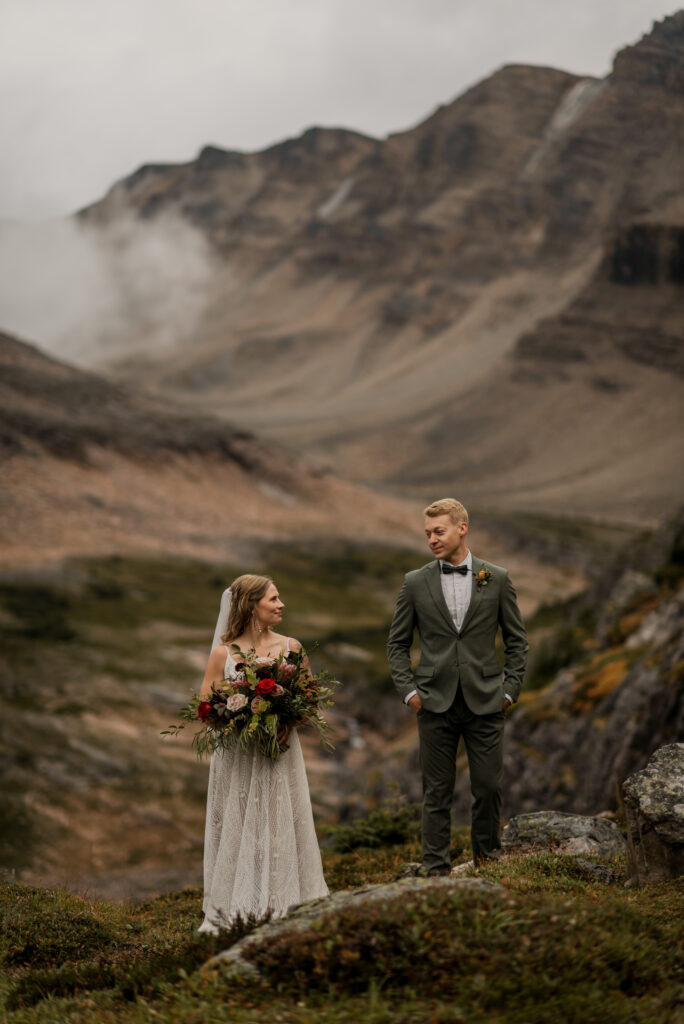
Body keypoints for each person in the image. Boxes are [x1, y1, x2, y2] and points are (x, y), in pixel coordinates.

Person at [387, 499, 527, 873]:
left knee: (488, 788)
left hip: (487, 701)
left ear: (462, 528)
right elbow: (397, 644)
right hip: (433, 703)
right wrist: (410, 693)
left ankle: (488, 863)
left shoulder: (496, 578)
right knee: (436, 793)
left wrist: (509, 690)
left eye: (439, 531)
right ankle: (436, 870)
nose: (432, 540)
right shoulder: (414, 583)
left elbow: (517, 641)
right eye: (428, 534)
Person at [198, 573, 328, 933]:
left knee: (280, 819)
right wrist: (238, 720)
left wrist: (288, 719)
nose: (281, 604)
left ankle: (285, 898)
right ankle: (237, 905)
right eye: (273, 599)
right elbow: (207, 709)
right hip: (239, 754)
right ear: (251, 605)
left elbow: (310, 698)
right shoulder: (223, 654)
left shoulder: (292, 648)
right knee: (241, 823)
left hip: (280, 749)